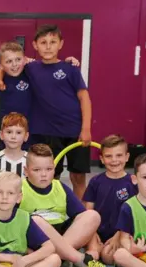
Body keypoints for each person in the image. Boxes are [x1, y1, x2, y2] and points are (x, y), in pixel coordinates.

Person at [19, 144, 116, 267]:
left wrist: (92, 245)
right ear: (26, 171)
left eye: (49, 169)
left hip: (62, 235)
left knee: (92, 215)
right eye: (37, 170)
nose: (44, 174)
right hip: (36, 240)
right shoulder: (19, 189)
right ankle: (80, 260)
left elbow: (82, 218)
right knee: (35, 219)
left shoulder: (60, 187)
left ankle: (56, 257)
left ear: (54, 169)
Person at [26, 25, 92, 199]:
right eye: (43, 42)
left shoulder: (71, 69)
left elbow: (84, 99)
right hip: (46, 133)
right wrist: (1, 76)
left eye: (53, 42)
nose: (48, 46)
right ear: (35, 45)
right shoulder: (30, 68)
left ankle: (80, 216)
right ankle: (51, 212)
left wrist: (86, 129)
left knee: (77, 176)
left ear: (61, 44)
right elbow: (6, 64)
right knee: (49, 176)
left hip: (74, 131)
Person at [82, 134, 137, 264]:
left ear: (127, 157)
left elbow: (135, 214)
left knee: (108, 257)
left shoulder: (133, 182)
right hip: (97, 231)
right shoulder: (95, 181)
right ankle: (89, 259)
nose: (114, 160)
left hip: (122, 232)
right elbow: (88, 211)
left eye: (119, 155)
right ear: (101, 159)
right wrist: (92, 233)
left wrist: (118, 235)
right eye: (108, 156)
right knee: (94, 254)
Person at [0, 112, 29, 178]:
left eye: (18, 133)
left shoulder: (30, 160)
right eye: (9, 132)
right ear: (1, 135)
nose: (13, 136)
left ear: (26, 136)